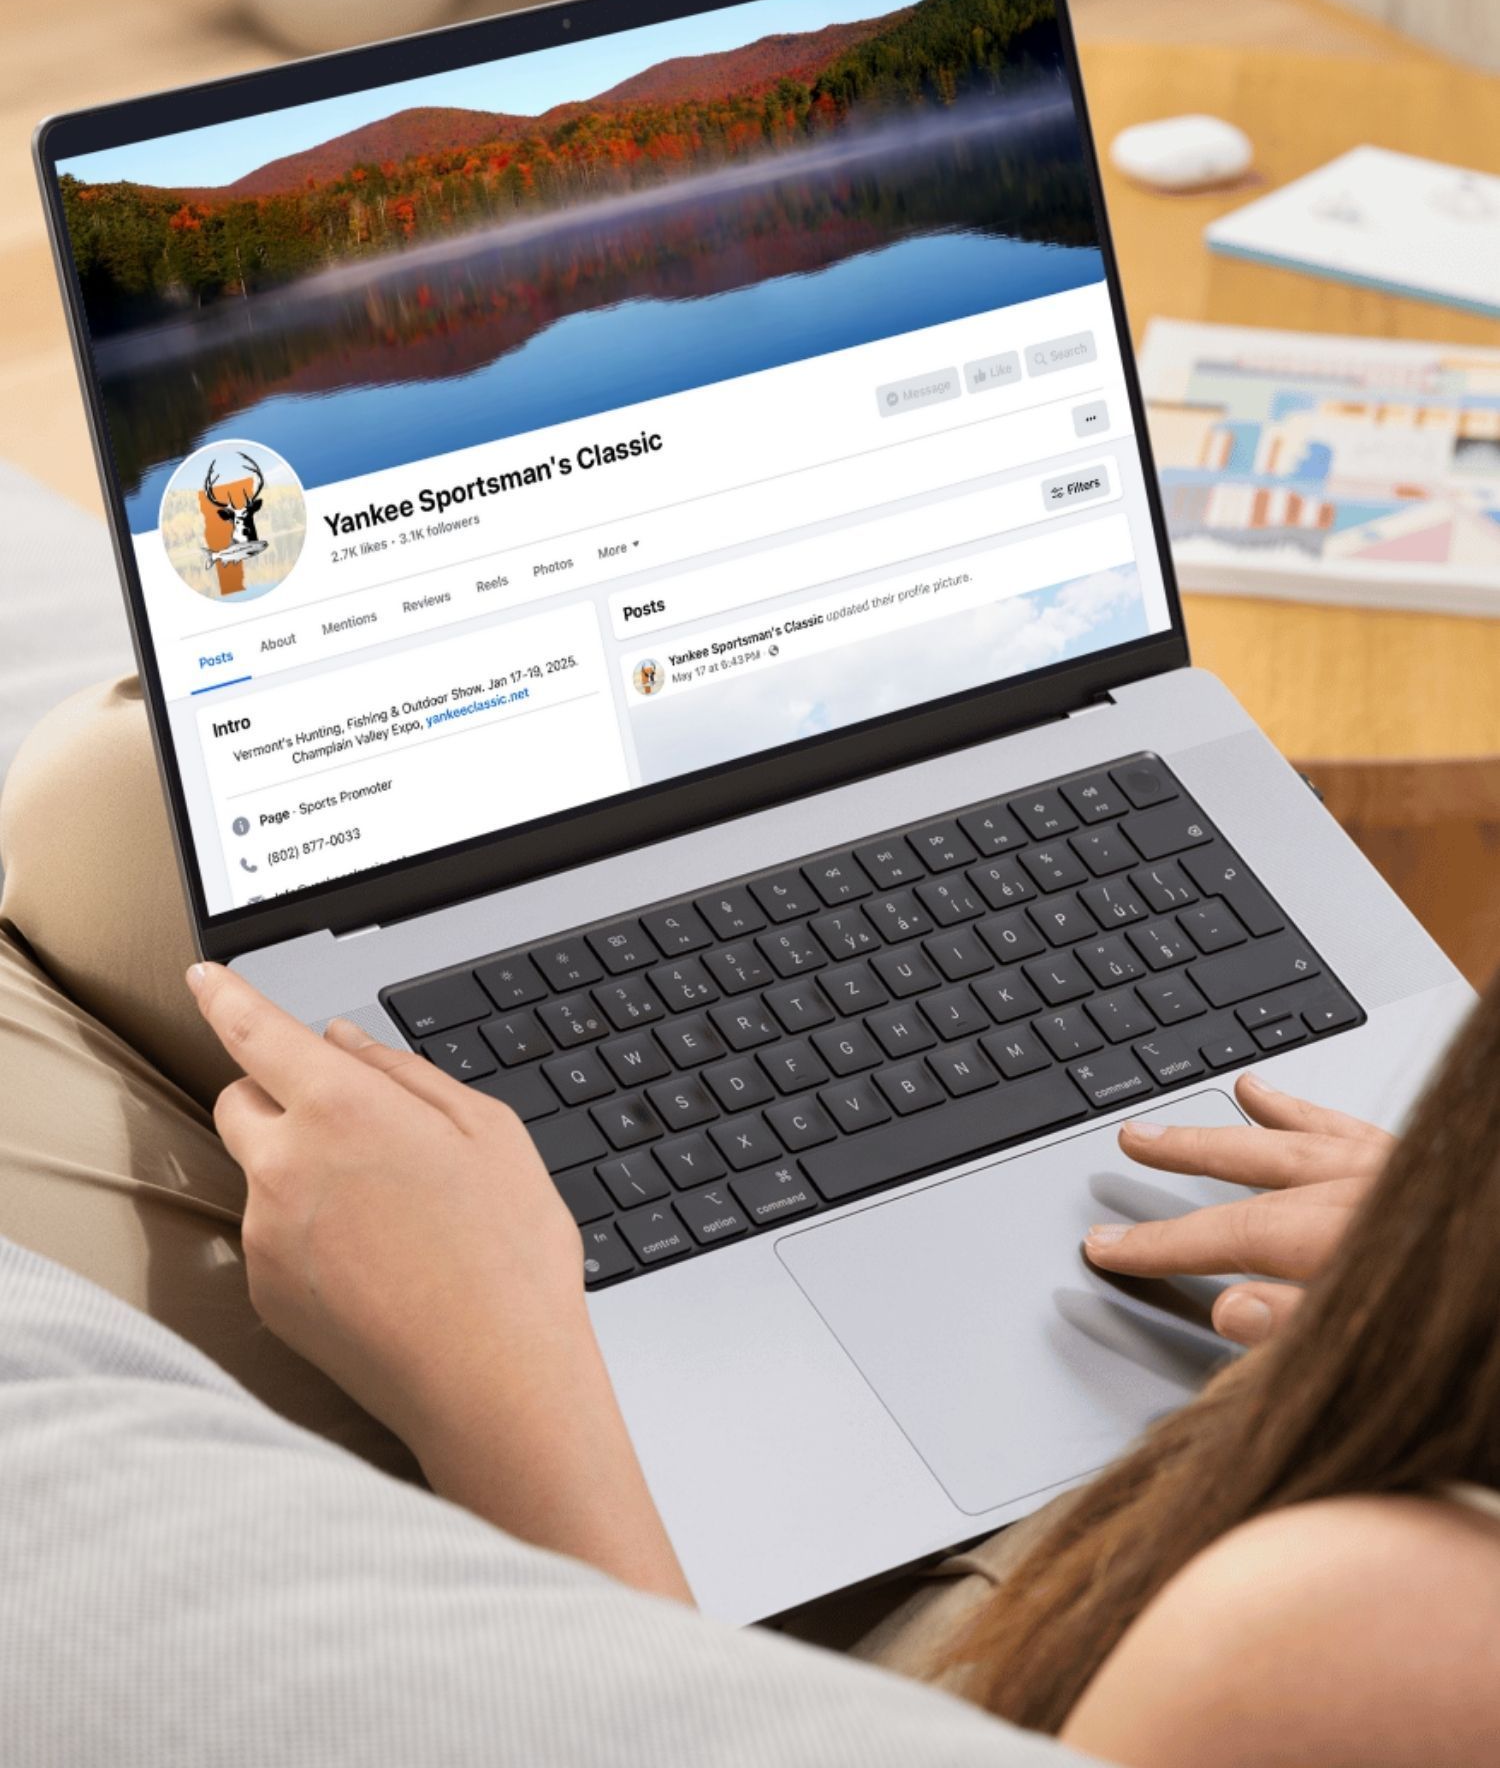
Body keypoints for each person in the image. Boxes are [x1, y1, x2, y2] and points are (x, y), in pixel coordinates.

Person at [4, 678, 1499, 1764]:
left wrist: (499, 1384)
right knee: (129, 806)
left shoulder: (1361, 1632)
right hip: (1305, 1388)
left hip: (938, 1628)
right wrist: (1456, 1273)